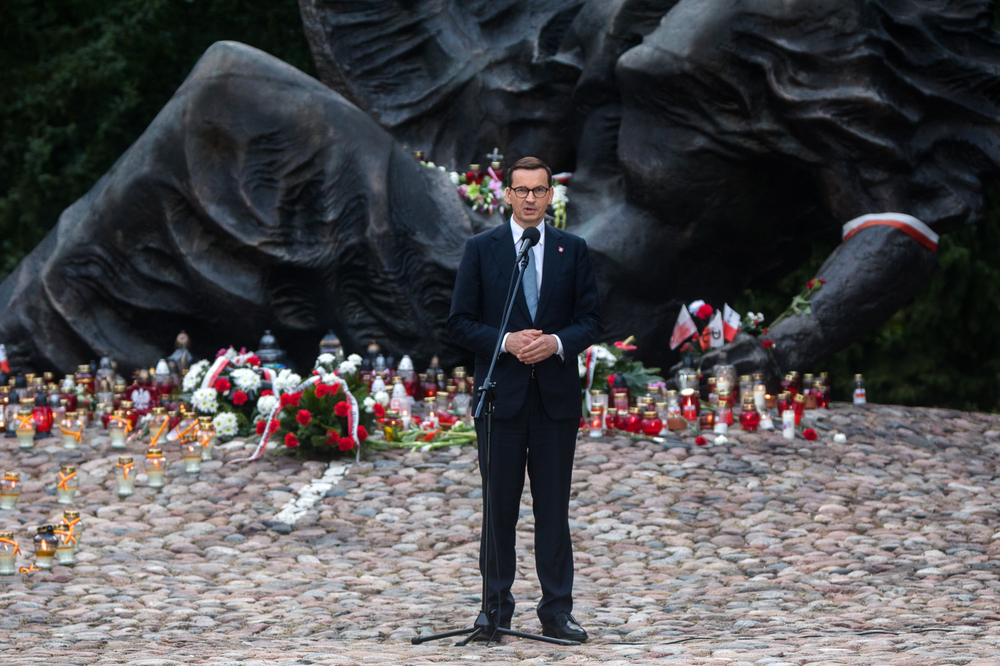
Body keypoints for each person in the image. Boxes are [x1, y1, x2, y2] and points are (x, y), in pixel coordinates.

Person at [447, 156, 603, 642]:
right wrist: (506, 341)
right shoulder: (482, 249)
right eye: (522, 190)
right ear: (508, 194)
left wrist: (555, 342)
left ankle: (557, 611)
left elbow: (592, 320)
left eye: (539, 190)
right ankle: (494, 611)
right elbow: (459, 322)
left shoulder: (572, 249)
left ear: (550, 196)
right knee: (499, 510)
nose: (530, 198)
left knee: (553, 510)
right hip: (501, 400)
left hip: (555, 401)